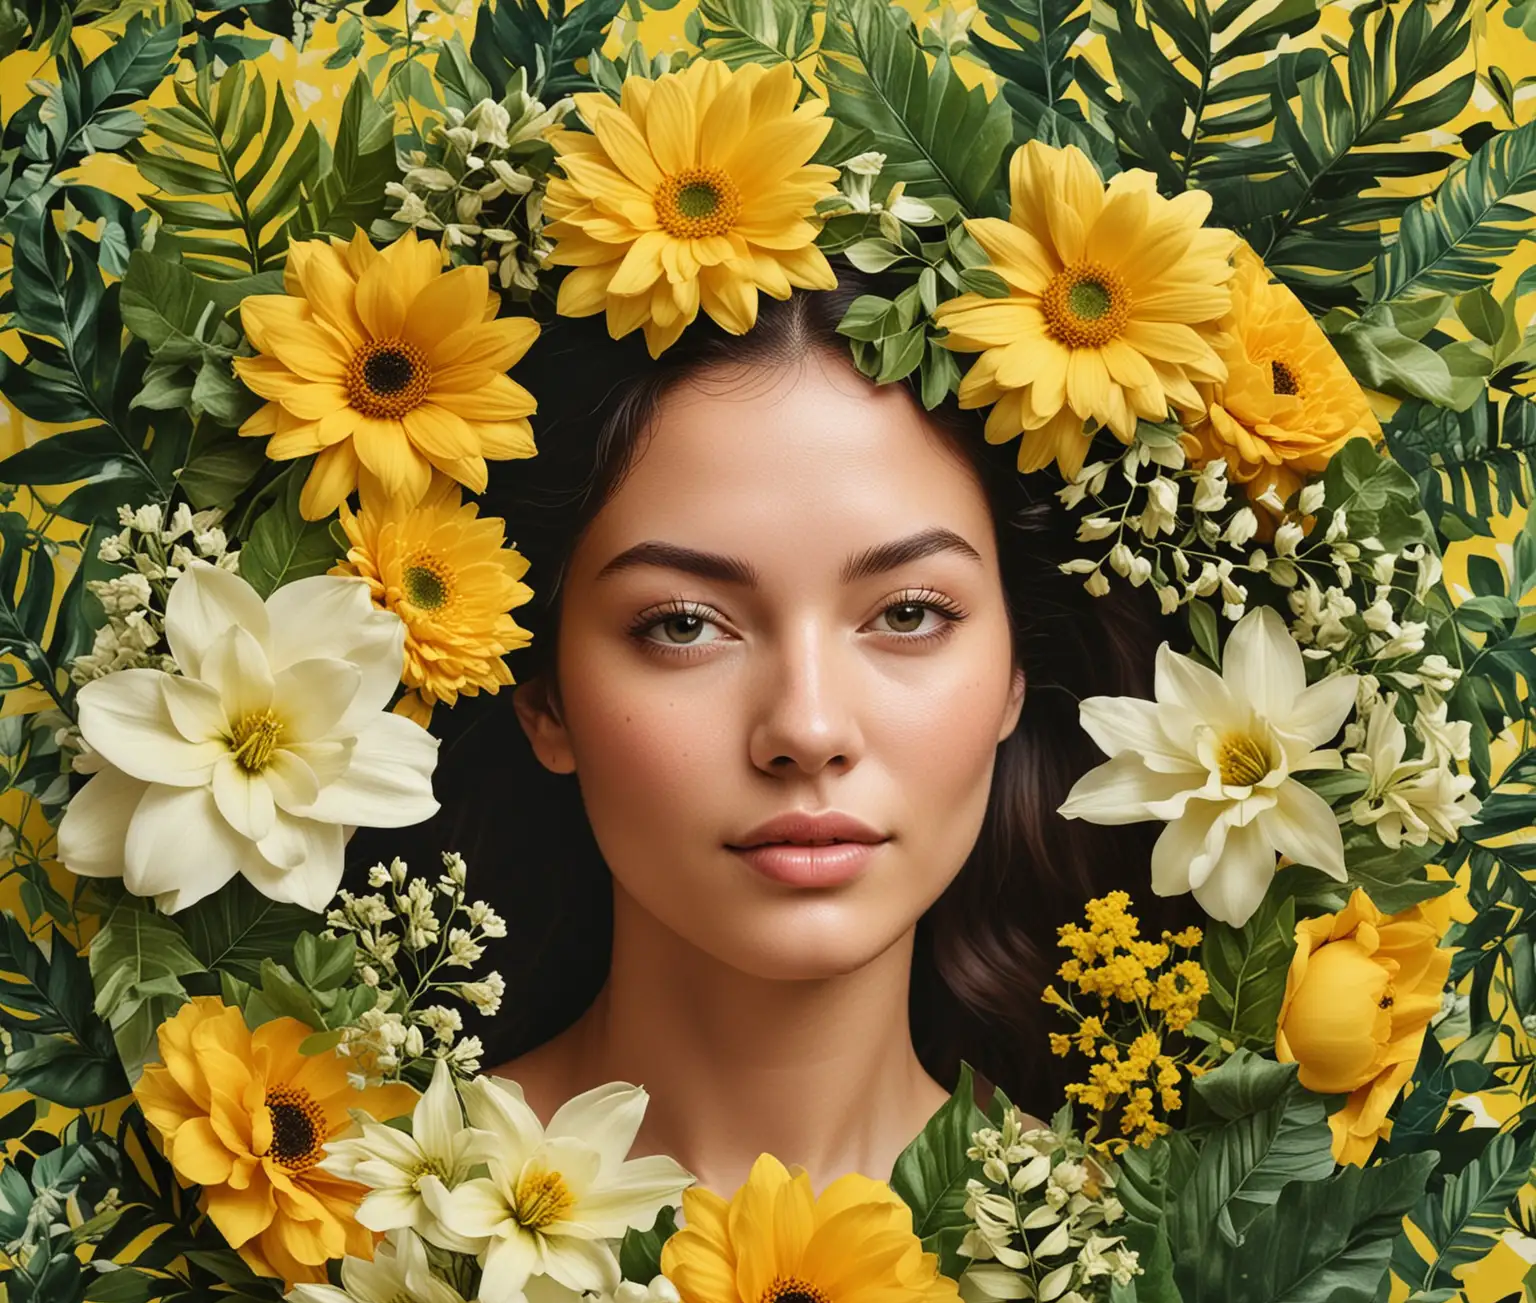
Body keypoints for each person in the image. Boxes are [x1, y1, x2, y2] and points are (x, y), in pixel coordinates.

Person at [359, 263, 1182, 1197]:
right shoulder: (366, 1212)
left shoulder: (1123, 1263)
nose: (808, 728)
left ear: (1014, 677)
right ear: (545, 696)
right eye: (682, 624)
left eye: (909, 615)